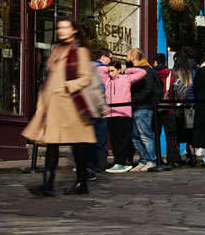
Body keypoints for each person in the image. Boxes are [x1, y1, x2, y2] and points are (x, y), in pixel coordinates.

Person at [22, 18, 97, 196]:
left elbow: (85, 78)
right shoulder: (57, 50)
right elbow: (48, 78)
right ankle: (48, 184)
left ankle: (81, 182)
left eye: (65, 27)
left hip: (72, 105)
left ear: (74, 31)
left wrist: (67, 87)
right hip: (54, 106)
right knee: (52, 144)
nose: (61, 30)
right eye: (59, 27)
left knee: (78, 145)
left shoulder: (79, 51)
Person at [102, 54, 145, 173]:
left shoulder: (126, 78)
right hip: (111, 114)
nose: (110, 73)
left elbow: (141, 73)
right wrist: (106, 66)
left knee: (122, 139)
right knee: (114, 140)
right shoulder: (107, 80)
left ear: (119, 70)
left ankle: (121, 161)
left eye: (112, 71)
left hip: (123, 113)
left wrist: (128, 70)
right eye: (109, 71)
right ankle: (117, 161)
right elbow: (98, 70)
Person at [126, 48, 159, 171]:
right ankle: (143, 160)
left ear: (133, 57)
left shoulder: (146, 70)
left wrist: (134, 98)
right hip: (135, 107)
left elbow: (148, 89)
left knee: (145, 135)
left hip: (143, 107)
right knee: (135, 136)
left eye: (127, 56)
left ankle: (151, 160)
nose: (126, 58)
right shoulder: (134, 71)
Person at [167, 57, 195, 166]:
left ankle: (177, 158)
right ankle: (192, 157)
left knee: (177, 134)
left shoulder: (174, 73)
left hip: (177, 108)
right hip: (189, 108)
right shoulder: (191, 73)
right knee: (190, 134)